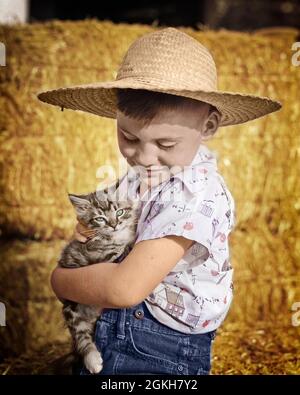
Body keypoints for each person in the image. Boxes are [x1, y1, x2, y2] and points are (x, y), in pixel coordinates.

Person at [37, 27, 281, 375]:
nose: (144, 157)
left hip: (154, 345)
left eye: (165, 144)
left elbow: (125, 288)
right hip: (124, 328)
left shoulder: (192, 194)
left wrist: (60, 280)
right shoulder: (148, 174)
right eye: (128, 136)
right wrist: (91, 232)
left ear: (209, 126)